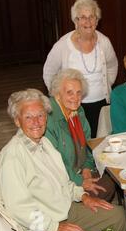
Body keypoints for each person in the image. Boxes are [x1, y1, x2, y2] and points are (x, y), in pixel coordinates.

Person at [0, 89, 126, 231]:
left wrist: (83, 196)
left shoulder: (45, 143)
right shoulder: (13, 157)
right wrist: (55, 227)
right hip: (38, 228)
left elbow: (63, 181)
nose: (36, 122)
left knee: (117, 215)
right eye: (28, 117)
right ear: (17, 121)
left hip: (63, 210)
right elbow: (18, 209)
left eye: (40, 115)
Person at [43, 0, 118, 137]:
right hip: (73, 105)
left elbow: (112, 66)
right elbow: (49, 72)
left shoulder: (104, 42)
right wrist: (59, 97)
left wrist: (107, 84)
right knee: (77, 143)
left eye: (92, 17)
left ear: (97, 20)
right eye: (82, 17)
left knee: (100, 141)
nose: (88, 21)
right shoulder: (63, 45)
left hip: (101, 104)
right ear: (75, 21)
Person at [46, 68, 115, 201]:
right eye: (69, 93)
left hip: (78, 170)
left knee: (110, 182)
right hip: (60, 180)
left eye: (79, 93)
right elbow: (54, 163)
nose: (76, 98)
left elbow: (88, 143)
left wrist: (87, 168)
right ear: (57, 94)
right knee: (102, 190)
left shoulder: (78, 111)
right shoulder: (49, 119)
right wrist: (80, 181)